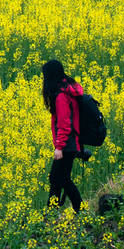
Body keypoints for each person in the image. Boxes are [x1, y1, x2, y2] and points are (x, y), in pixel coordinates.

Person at [42, 59, 86, 213]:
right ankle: (55, 211)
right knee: (58, 178)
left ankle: (78, 210)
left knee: (59, 178)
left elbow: (65, 124)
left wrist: (59, 147)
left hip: (67, 144)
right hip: (71, 143)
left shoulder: (61, 96)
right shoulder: (67, 91)